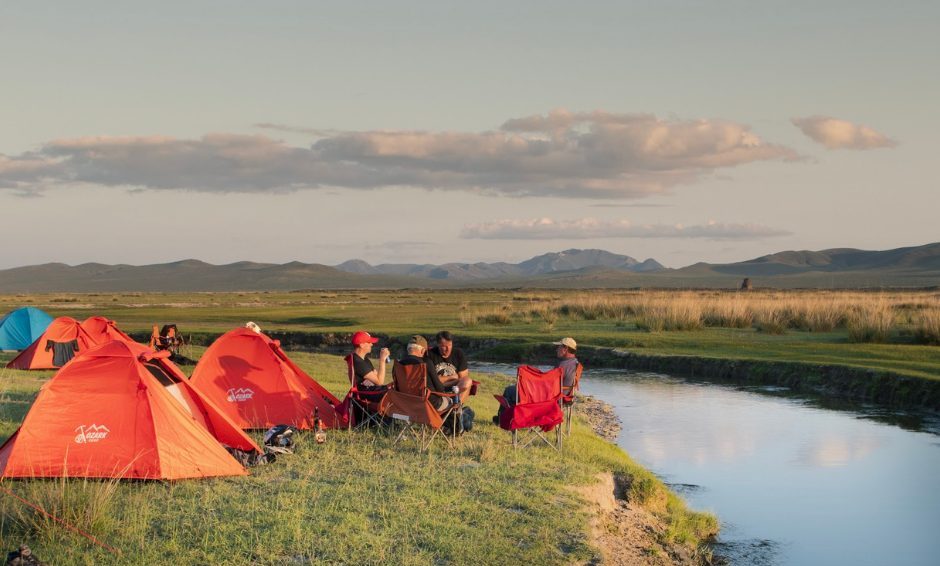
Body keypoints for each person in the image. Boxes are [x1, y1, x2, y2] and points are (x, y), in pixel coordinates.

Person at [494, 336, 580, 423]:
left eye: (559, 347)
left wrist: (529, 385)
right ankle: (511, 419)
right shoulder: (575, 363)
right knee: (516, 391)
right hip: (563, 397)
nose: (556, 349)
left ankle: (504, 420)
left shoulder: (562, 366)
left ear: (565, 349)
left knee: (509, 391)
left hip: (549, 399)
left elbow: (547, 384)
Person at [398, 335, 451, 411]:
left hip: (405, 403)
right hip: (428, 403)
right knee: (452, 402)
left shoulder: (399, 365)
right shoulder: (426, 363)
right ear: (423, 351)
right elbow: (440, 388)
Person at [426, 330, 473, 402]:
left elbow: (462, 378)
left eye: (450, 345)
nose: (448, 349)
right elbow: (431, 380)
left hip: (456, 388)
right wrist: (452, 377)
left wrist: (443, 380)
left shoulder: (458, 353)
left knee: (468, 381)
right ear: (438, 344)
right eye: (444, 346)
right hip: (436, 388)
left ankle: (456, 406)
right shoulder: (430, 355)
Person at [350, 330, 390, 396]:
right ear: (361, 345)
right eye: (369, 342)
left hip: (371, 390)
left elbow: (377, 377)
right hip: (367, 394)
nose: (371, 344)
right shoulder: (358, 362)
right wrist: (382, 360)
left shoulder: (364, 359)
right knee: (395, 394)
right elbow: (379, 382)